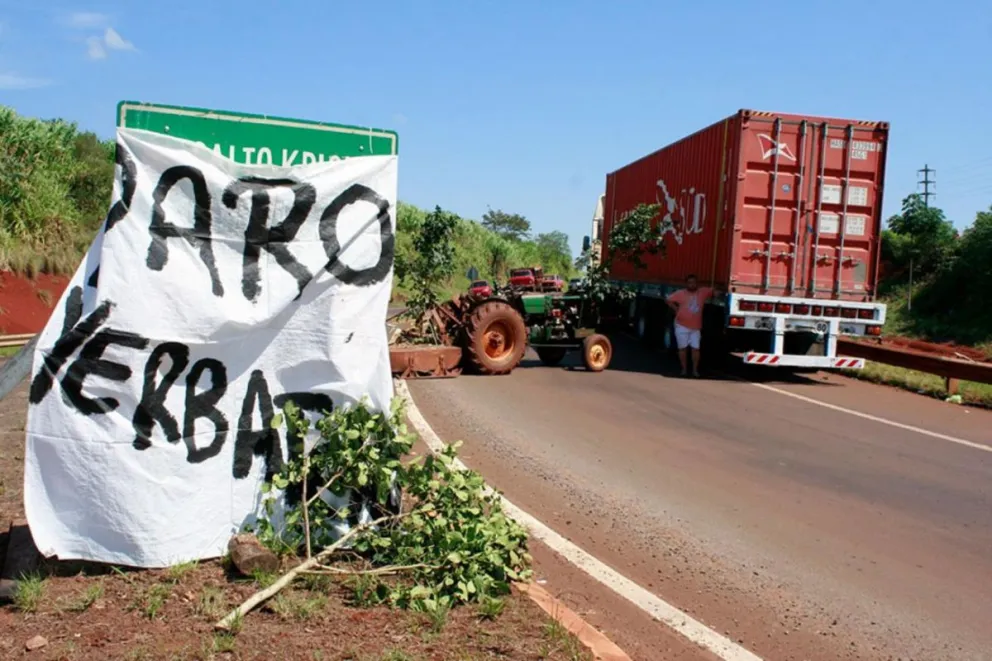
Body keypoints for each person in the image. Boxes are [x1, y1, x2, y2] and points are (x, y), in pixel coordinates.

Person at [665, 274, 713, 377]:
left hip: (696, 327)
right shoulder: (681, 293)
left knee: (695, 349)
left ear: (697, 283)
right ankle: (684, 369)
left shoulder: (702, 292)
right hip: (681, 325)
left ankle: (695, 370)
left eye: (694, 282)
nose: (692, 285)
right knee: (683, 348)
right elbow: (668, 300)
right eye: (690, 283)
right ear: (686, 284)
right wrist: (676, 309)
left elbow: (713, 291)